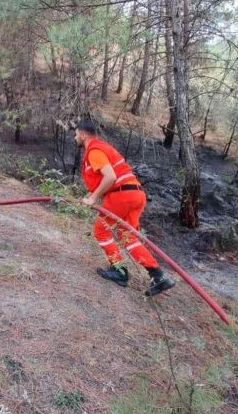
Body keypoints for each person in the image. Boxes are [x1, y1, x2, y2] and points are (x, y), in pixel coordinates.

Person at [74, 120, 175, 297]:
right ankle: (158, 275)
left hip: (122, 195)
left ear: (83, 135)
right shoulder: (104, 148)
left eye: (76, 134)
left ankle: (119, 271)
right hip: (136, 194)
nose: (75, 138)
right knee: (127, 236)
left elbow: (110, 177)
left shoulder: (94, 150)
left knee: (101, 231)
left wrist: (92, 198)